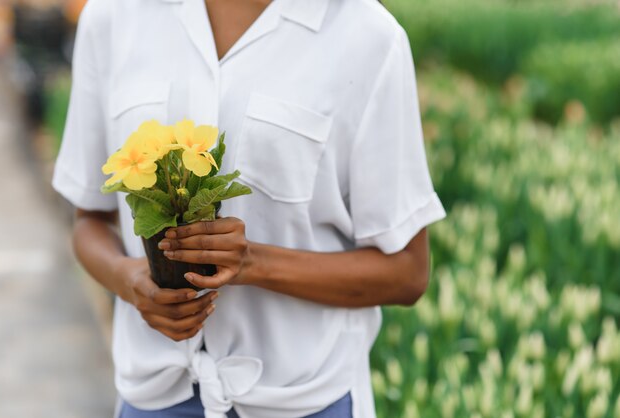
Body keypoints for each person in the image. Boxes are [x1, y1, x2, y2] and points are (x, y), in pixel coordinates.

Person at [52, 0, 446, 417]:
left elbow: (407, 271)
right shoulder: (114, 16)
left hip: (301, 401)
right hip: (153, 399)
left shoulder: (367, 37)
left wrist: (255, 263)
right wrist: (128, 279)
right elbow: (88, 221)